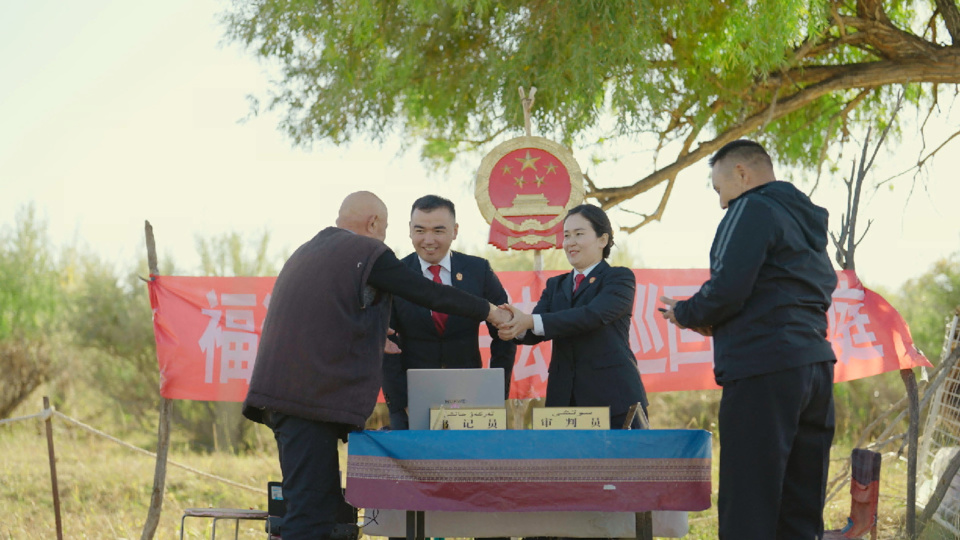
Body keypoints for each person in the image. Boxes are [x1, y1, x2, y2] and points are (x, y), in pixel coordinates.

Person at [242, 191, 513, 540]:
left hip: (290, 400)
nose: (386, 240)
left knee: (320, 510)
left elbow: (329, 315)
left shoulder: (313, 249)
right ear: (373, 224)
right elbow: (428, 293)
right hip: (305, 404)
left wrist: (369, 334)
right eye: (386, 229)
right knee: (309, 517)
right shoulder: (367, 252)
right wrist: (490, 311)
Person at [659, 140, 837, 539]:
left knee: (749, 500)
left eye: (719, 189)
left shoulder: (751, 207)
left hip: (764, 367)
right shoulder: (806, 221)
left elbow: (728, 288)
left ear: (742, 173)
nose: (721, 203)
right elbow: (785, 292)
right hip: (816, 367)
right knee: (801, 502)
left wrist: (686, 313)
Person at [498, 204, 647, 429]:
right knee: (567, 465)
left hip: (614, 401)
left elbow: (591, 316)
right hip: (564, 403)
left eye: (579, 234)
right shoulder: (556, 285)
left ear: (602, 239)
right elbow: (532, 332)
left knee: (621, 464)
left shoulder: (619, 278)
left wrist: (529, 321)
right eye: (566, 236)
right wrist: (508, 321)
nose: (570, 242)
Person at [382, 195, 517, 430]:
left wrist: (495, 394)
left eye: (438, 230)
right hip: (411, 404)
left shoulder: (478, 271)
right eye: (420, 230)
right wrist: (401, 404)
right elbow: (386, 343)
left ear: (455, 231)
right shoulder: (395, 274)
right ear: (410, 231)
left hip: (472, 403)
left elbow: (505, 332)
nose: (428, 240)